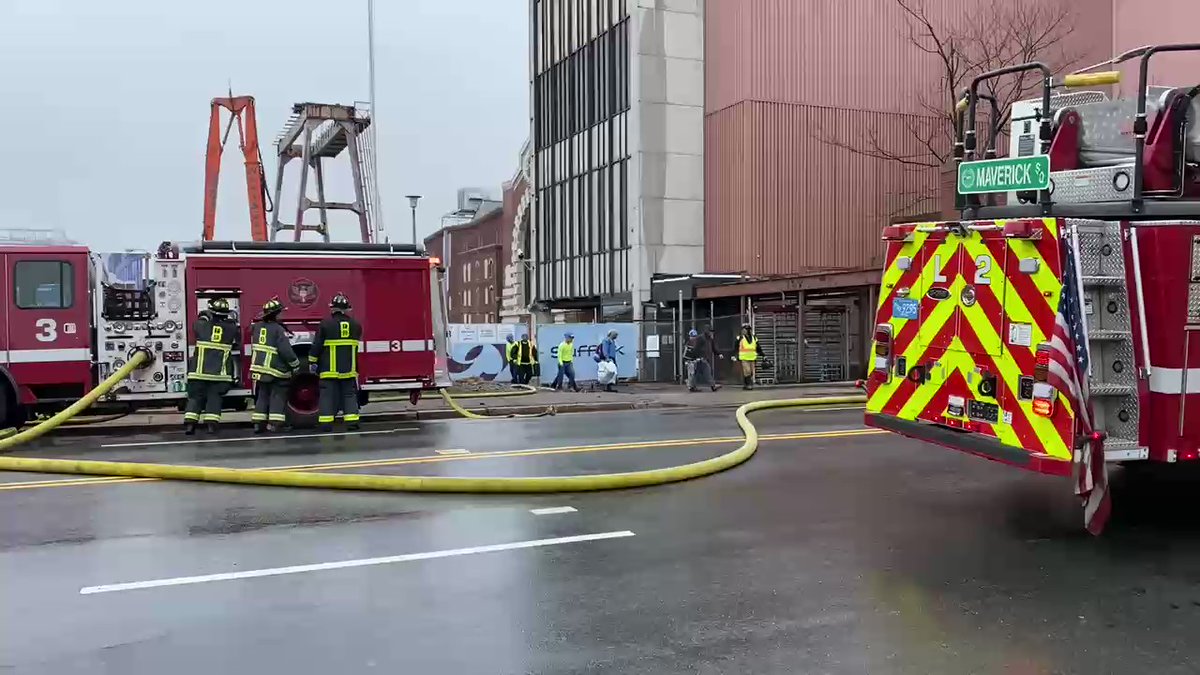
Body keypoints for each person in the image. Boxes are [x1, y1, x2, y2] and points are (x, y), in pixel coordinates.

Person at [184, 297, 239, 435]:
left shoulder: (200, 325)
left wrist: (205, 315)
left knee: (195, 398)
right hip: (219, 375)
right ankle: (211, 426)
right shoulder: (231, 328)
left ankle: (190, 426)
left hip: (198, 373)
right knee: (214, 399)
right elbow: (237, 334)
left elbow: (197, 323)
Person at [310, 293, 362, 432]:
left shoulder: (325, 324)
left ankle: (326, 424)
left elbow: (317, 345)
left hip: (328, 370)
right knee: (349, 395)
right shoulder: (356, 325)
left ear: (332, 309)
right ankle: (352, 422)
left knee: (327, 396)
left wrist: (312, 361)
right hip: (348, 370)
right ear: (347, 309)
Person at [249, 298, 300, 434]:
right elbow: (285, 351)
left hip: (259, 369)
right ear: (276, 314)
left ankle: (258, 425)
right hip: (275, 370)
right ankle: (274, 424)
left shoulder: (257, 327)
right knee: (278, 395)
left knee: (262, 395)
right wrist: (295, 364)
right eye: (280, 313)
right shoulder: (278, 329)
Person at [738, 323, 765, 390]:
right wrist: (735, 355)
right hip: (744, 357)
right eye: (743, 329)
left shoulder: (754, 338)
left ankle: (745, 384)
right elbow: (736, 347)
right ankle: (749, 385)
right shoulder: (740, 338)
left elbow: (758, 347)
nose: (744, 331)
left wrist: (763, 355)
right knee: (747, 371)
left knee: (752, 372)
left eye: (745, 329)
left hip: (752, 358)